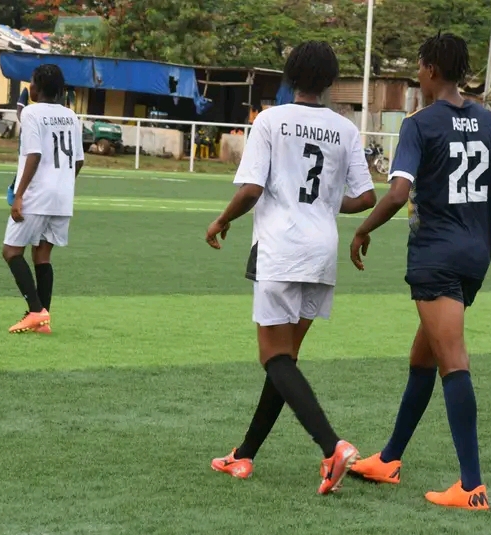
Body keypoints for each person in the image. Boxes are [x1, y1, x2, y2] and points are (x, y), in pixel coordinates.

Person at [348, 33, 491, 510]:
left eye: (420, 68)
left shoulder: (420, 124)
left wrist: (362, 229)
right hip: (474, 257)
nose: (418, 76)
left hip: (435, 256)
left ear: (431, 70)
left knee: (453, 361)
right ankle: (389, 459)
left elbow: (398, 194)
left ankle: (471, 485)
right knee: (423, 357)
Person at [205, 41, 376, 495]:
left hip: (280, 248)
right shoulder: (345, 129)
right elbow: (366, 197)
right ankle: (244, 455)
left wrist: (221, 220)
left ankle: (332, 446)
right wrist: (325, 203)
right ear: (331, 81)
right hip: (322, 251)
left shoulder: (271, 120)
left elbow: (251, 190)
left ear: (290, 76)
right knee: (286, 361)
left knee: (274, 357)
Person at [2, 64, 85, 334]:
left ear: (37, 87)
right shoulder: (71, 116)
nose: (30, 87)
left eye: (31, 83)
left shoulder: (31, 112)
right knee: (42, 254)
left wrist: (19, 195)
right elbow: (79, 160)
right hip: (63, 196)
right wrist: (64, 184)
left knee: (11, 251)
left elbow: (34, 155)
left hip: (37, 195)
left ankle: (36, 311)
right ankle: (42, 321)